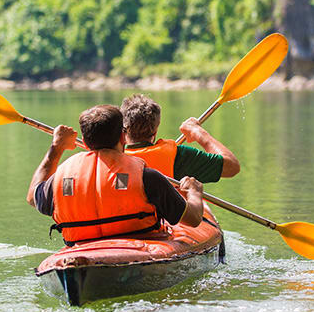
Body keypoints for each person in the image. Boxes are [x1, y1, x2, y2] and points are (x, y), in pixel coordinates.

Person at [27, 104, 204, 246]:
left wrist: (56, 148)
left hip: (80, 249)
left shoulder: (61, 179)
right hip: (141, 247)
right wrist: (194, 192)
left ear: (86, 142)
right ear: (123, 137)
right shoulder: (146, 177)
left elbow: (32, 197)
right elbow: (193, 219)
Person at [120, 94, 240, 181]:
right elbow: (232, 167)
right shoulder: (177, 157)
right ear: (155, 130)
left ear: (123, 130)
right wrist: (198, 132)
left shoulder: (107, 160)